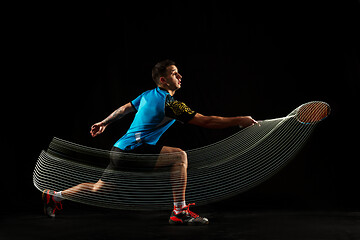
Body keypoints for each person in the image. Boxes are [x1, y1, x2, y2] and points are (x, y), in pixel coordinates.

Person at [42, 59, 258, 225]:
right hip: (132, 151)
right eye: (174, 74)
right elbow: (207, 121)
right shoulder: (170, 104)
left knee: (100, 189)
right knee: (179, 156)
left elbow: (125, 108)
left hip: (119, 149)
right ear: (163, 80)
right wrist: (240, 120)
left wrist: (104, 123)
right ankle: (179, 212)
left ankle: (55, 195)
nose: (180, 76)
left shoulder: (147, 94)